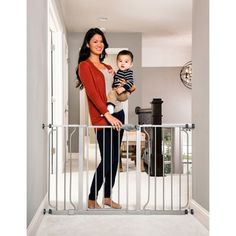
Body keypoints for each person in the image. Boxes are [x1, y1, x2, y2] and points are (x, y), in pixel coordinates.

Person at [76, 28, 124, 209]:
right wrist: (107, 115)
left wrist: (124, 87)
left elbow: (114, 92)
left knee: (115, 159)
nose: (99, 44)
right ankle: (91, 197)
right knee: (109, 159)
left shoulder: (109, 67)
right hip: (103, 117)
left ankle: (107, 197)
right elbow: (94, 94)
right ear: (88, 43)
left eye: (101, 40)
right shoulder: (85, 66)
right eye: (95, 41)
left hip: (118, 114)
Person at [107, 50, 136, 114]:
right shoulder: (119, 72)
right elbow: (116, 79)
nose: (122, 63)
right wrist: (114, 74)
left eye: (126, 62)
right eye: (120, 61)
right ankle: (111, 106)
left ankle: (111, 107)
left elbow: (131, 82)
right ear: (116, 62)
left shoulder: (128, 72)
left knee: (111, 93)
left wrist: (123, 88)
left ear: (131, 64)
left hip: (122, 94)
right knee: (112, 93)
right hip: (118, 93)